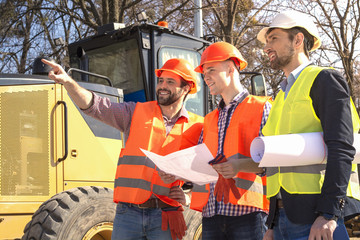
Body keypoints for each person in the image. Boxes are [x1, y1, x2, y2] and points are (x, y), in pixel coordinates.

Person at [42, 58, 204, 240]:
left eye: (170, 82)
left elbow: (205, 170)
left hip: (165, 215)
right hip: (128, 215)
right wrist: (68, 82)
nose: (162, 86)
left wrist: (189, 196)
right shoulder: (135, 112)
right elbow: (95, 106)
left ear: (186, 88)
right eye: (161, 81)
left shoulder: (198, 127)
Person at [257, 10, 360, 240]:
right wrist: (272, 223)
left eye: (273, 38)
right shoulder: (282, 96)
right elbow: (277, 165)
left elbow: (342, 148)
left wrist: (329, 214)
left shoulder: (324, 80)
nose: (267, 47)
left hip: (317, 219)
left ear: (298, 40)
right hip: (284, 219)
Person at [189, 41, 271, 240]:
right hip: (212, 214)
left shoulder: (262, 108)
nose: (205, 76)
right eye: (204, 72)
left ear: (231, 68)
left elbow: (274, 161)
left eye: (211, 70)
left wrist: (240, 165)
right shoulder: (209, 119)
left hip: (248, 213)